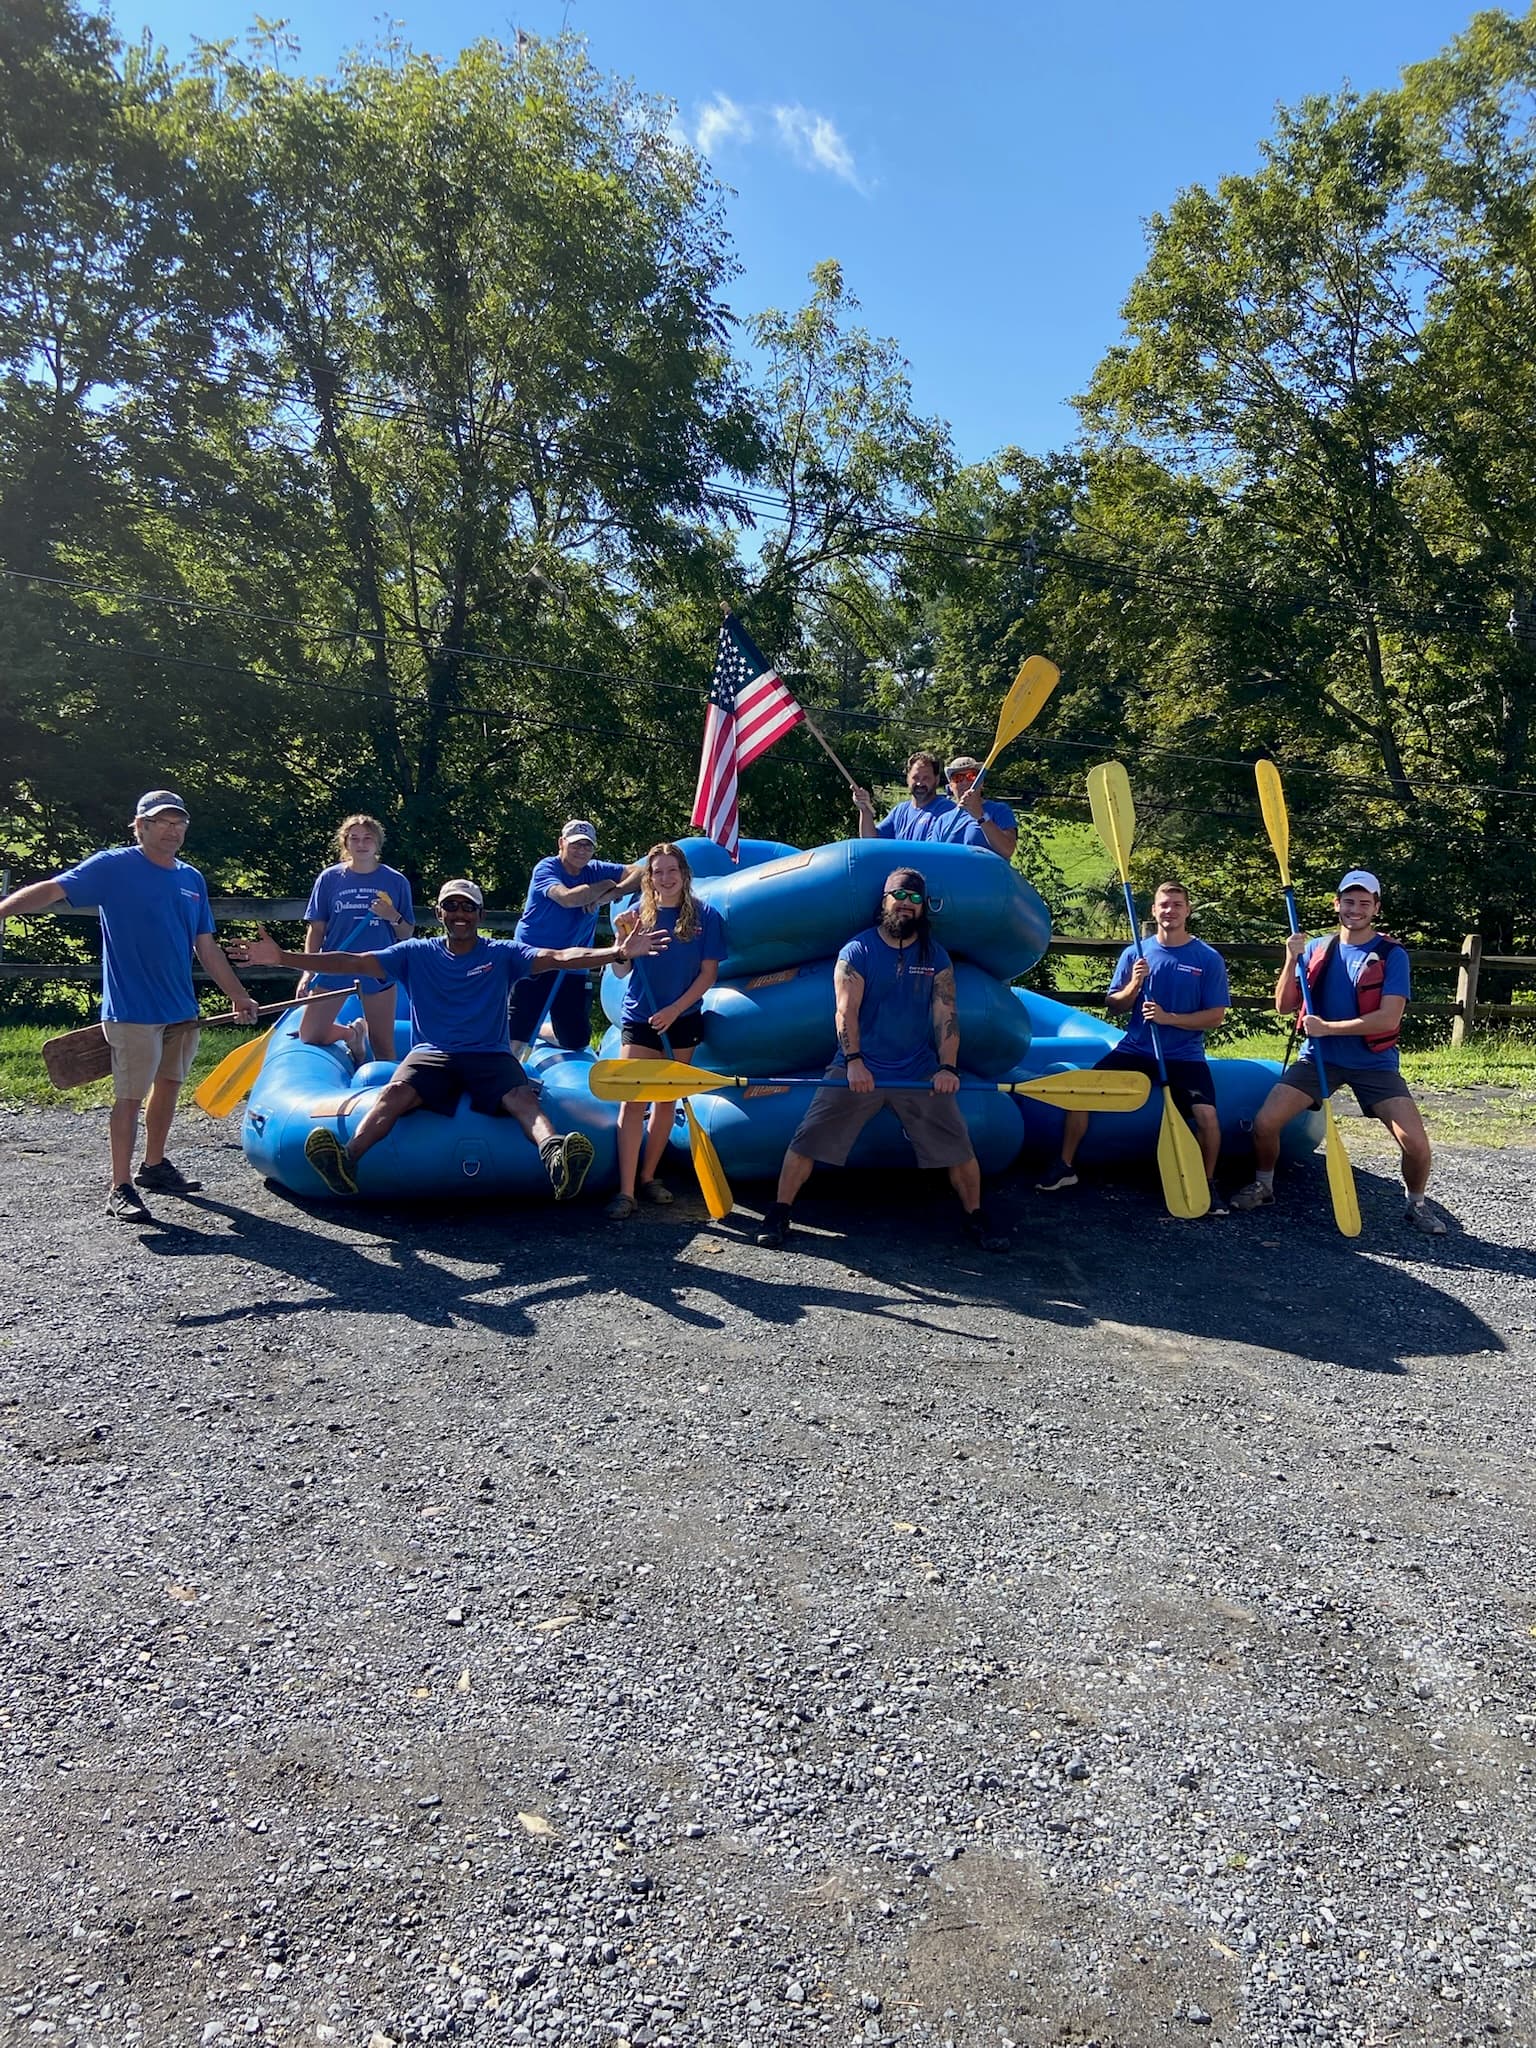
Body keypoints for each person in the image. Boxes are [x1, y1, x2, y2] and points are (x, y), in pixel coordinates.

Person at [230, 879, 666, 1201]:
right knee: (394, 1093)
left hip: (489, 1054)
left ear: (478, 913)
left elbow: (560, 956)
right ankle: (346, 1159)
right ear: (439, 913)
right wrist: (284, 958)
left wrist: (617, 952)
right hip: (433, 1053)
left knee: (520, 1096)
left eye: (468, 907)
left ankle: (556, 1157)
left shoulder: (502, 953)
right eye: (451, 906)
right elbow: (353, 961)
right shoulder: (415, 953)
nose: (460, 913)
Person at [0, 789, 259, 1219]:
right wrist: (3, 911)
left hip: (180, 1007)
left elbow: (206, 946)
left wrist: (238, 994)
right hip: (132, 1007)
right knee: (130, 1096)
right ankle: (119, 1186)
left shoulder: (191, 879)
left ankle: (153, 1166)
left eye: (179, 824)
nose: (172, 830)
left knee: (170, 1086)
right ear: (139, 826)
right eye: (161, 822)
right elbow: (52, 889)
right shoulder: (114, 866)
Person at [754, 867, 1009, 1252]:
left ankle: (976, 1216)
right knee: (807, 1139)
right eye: (899, 897)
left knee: (959, 1145)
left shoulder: (935, 956)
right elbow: (845, 1011)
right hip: (859, 1067)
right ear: (884, 900)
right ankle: (779, 1212)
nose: (906, 905)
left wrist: (947, 1067)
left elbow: (946, 1014)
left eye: (915, 899)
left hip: (916, 1070)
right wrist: (854, 1061)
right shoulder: (857, 951)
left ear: (923, 908)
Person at [1231, 869, 1446, 1234]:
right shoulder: (1316, 947)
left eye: (1365, 902)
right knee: (1266, 1123)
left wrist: (1329, 1028)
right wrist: (1289, 957)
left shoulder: (1392, 955)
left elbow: (1387, 1018)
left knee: (1417, 1144)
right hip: (1319, 1058)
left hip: (1373, 1064)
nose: (1356, 909)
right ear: (1337, 904)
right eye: (1349, 901)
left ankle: (1416, 1204)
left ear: (1376, 907)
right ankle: (1264, 1186)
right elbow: (1284, 1006)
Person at [1035, 880, 1231, 1214]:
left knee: (1207, 1118)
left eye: (1177, 904)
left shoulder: (1207, 959)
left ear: (1188, 910)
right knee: (1081, 1092)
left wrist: (1170, 1019)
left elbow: (1215, 1016)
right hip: (1136, 1050)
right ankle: (1065, 1167)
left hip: (1183, 1056)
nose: (1170, 910)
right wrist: (1134, 984)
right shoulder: (1136, 953)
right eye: (1164, 904)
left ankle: (1207, 1184)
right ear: (1154, 911)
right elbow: (1115, 1005)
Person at [605, 842, 726, 1221]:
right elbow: (621, 971)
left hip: (683, 1018)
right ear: (649, 877)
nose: (665, 878)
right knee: (633, 1100)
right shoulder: (633, 918)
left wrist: (675, 1010)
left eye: (672, 870)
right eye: (657, 872)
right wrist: (623, 948)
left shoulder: (706, 917)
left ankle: (648, 1177)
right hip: (641, 1019)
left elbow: (709, 974)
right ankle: (625, 1191)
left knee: (665, 1100)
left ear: (684, 874)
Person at [508, 820, 643, 1053]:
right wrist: (607, 884)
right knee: (518, 1031)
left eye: (587, 846)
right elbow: (569, 898)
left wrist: (613, 893)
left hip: (575, 961)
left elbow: (640, 872)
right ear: (561, 843)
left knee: (576, 1040)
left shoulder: (595, 868)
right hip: (535, 957)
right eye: (575, 845)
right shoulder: (547, 868)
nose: (582, 851)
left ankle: (542, 1030)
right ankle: (504, 1070)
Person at [297, 814, 414, 1065]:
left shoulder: (395, 881)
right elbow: (316, 929)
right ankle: (353, 1033)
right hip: (336, 963)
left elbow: (407, 933)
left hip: (378, 967)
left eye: (368, 838)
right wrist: (308, 971)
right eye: (355, 838)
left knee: (383, 1046)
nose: (361, 844)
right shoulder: (329, 879)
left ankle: (388, 1097)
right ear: (346, 843)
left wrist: (391, 915)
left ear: (377, 843)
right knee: (309, 1034)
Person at [851, 752, 988, 846]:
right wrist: (865, 811)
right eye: (916, 778)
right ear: (907, 778)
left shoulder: (948, 811)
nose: (920, 783)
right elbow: (871, 841)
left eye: (926, 778)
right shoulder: (900, 810)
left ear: (936, 779)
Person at [942, 755, 1019, 859]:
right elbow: (932, 858)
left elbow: (1007, 850)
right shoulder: (943, 820)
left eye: (971, 776)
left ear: (981, 782)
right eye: (958, 778)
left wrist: (980, 815)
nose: (965, 782)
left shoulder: (1000, 810)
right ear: (951, 786)